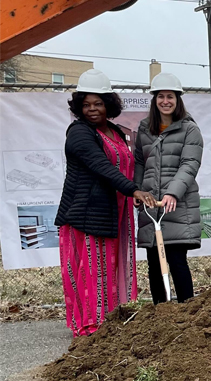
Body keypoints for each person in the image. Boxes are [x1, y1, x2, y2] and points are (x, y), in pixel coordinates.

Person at [55, 69, 156, 337]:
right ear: (78, 106)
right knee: (93, 270)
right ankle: (92, 326)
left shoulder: (114, 131)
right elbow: (101, 167)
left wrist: (133, 191)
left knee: (112, 267)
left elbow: (125, 165)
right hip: (87, 213)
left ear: (108, 104)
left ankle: (114, 319)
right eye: (86, 104)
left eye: (98, 103)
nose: (92, 110)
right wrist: (133, 190)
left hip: (114, 212)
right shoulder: (78, 133)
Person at [134, 72, 203, 304]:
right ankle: (161, 314)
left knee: (175, 259)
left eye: (170, 96)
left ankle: (187, 310)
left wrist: (173, 192)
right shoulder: (145, 128)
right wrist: (137, 190)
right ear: (154, 99)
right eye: (161, 96)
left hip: (176, 205)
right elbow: (140, 163)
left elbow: (190, 163)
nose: (166, 101)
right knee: (154, 261)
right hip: (151, 205)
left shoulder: (189, 129)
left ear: (178, 99)